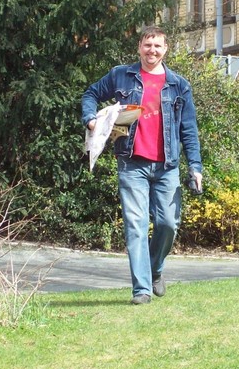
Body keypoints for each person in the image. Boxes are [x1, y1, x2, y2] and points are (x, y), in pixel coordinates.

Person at [82, 27, 203, 305]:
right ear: (139, 47)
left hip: (167, 166)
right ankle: (141, 290)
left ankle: (155, 269)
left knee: (168, 224)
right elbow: (90, 94)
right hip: (131, 163)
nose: (152, 50)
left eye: (158, 46)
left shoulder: (179, 85)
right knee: (135, 225)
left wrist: (195, 167)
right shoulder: (121, 75)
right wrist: (90, 119)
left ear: (165, 49)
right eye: (148, 45)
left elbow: (189, 130)